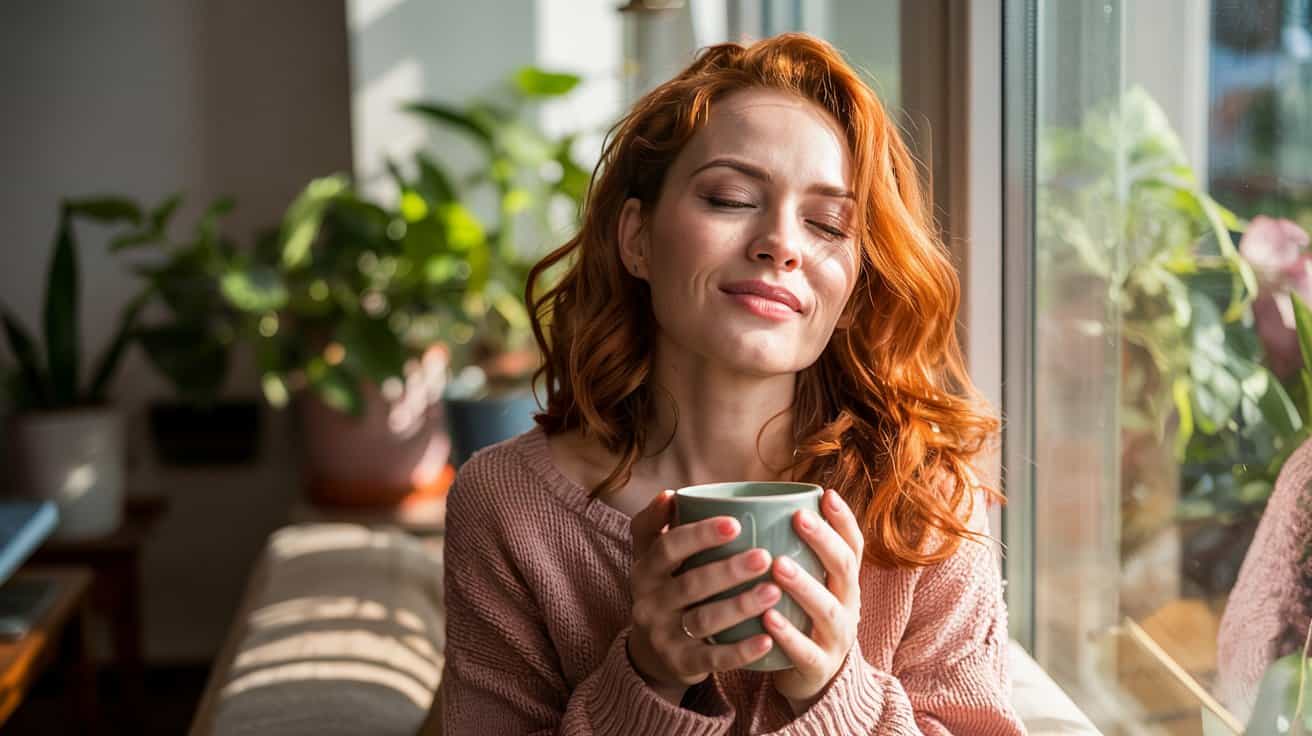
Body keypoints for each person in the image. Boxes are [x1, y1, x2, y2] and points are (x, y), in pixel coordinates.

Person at [430, 33, 1024, 734]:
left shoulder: (924, 499)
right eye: (731, 198)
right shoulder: (506, 506)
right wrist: (646, 678)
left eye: (828, 223)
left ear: (854, 289)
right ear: (637, 239)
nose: (782, 243)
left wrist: (838, 690)